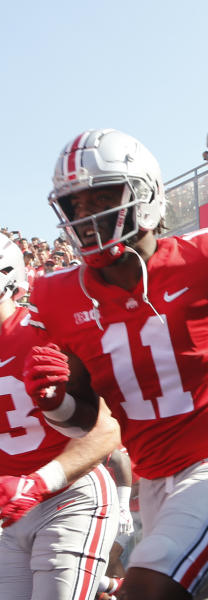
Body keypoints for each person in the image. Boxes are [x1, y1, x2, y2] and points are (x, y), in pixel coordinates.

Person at [25, 129, 208, 600]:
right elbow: (86, 419)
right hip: (155, 482)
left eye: (100, 196)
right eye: (74, 205)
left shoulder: (207, 257)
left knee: (147, 589)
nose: (85, 216)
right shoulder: (58, 296)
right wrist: (56, 403)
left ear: (144, 194)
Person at [0, 233, 121, 600]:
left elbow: (106, 429)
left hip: (69, 496)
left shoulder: (43, 331)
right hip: (12, 513)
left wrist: (38, 482)